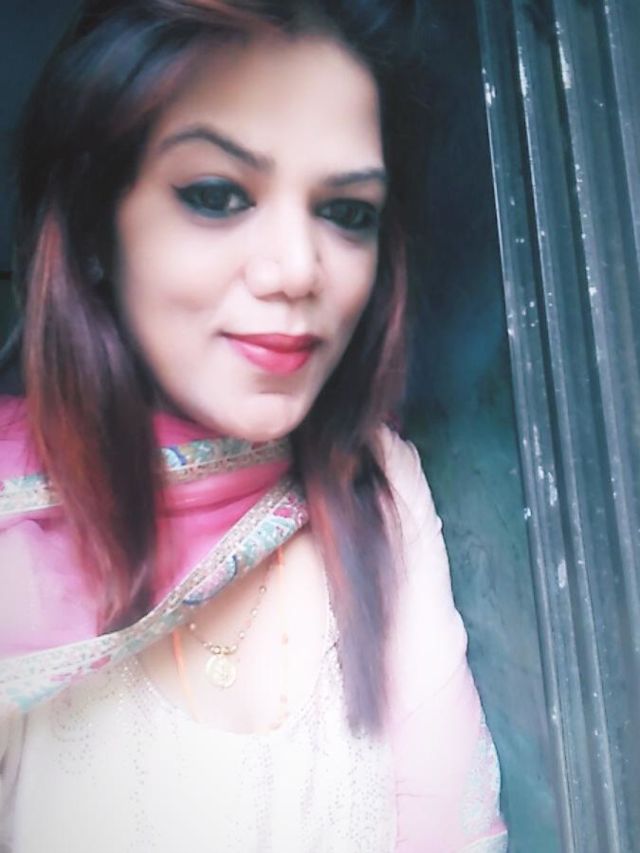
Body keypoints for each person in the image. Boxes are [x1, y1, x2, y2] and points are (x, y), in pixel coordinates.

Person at [0, 1, 508, 850]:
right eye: (217, 195)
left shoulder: (377, 486)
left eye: (346, 211)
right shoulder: (15, 523)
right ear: (94, 228)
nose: (297, 268)